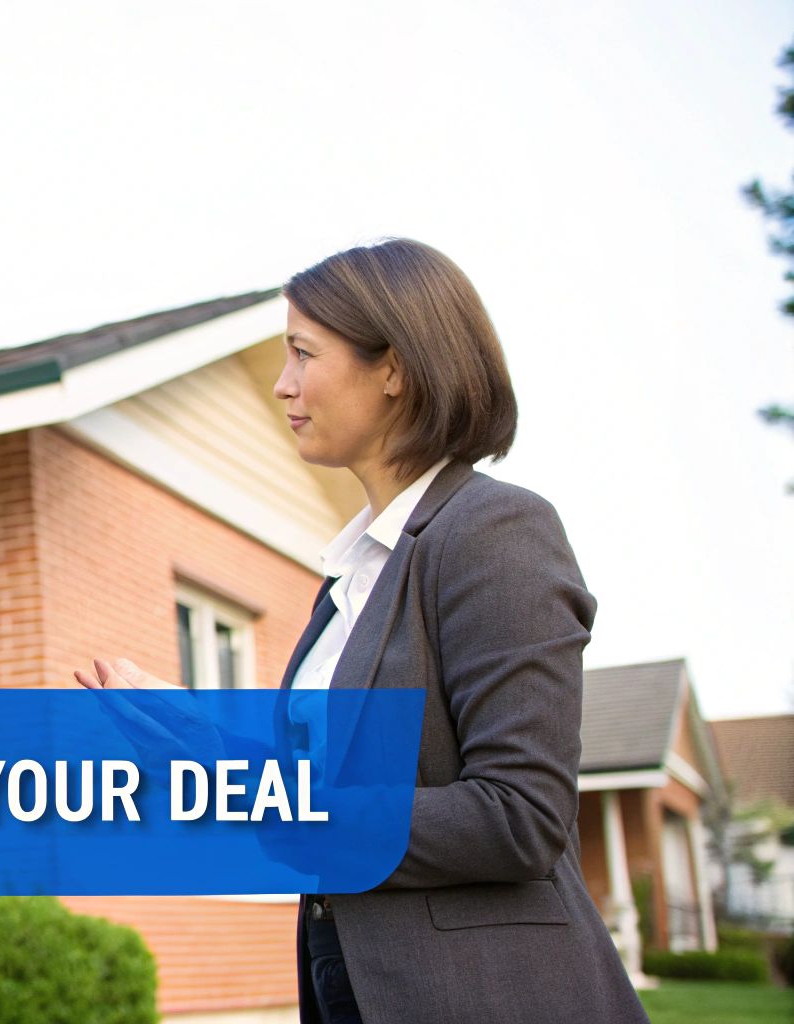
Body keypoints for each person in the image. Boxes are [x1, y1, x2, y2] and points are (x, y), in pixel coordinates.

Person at [76, 239, 647, 1023]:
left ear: (395, 368)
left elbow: (519, 816)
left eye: (303, 353)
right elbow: (317, 815)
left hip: (486, 995)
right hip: (354, 984)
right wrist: (200, 745)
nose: (282, 385)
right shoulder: (353, 577)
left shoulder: (493, 530)